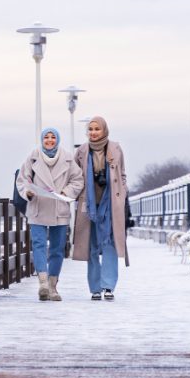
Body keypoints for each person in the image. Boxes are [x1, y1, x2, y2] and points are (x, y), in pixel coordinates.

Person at [16, 127, 84, 301]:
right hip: (37, 206)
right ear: (42, 140)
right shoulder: (33, 157)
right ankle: (43, 284)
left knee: (57, 249)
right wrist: (28, 192)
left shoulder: (68, 158)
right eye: (46, 137)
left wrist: (64, 192)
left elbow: (78, 180)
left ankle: (53, 287)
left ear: (57, 140)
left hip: (58, 207)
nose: (49, 140)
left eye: (53, 137)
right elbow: (22, 180)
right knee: (38, 245)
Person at [72, 116, 129, 301]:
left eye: (97, 129)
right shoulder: (81, 151)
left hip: (111, 204)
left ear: (104, 130)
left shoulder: (115, 148)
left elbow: (122, 174)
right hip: (89, 204)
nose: (93, 132)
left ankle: (108, 286)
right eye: (91, 129)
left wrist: (122, 193)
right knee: (92, 245)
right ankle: (95, 288)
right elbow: (74, 176)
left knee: (110, 244)